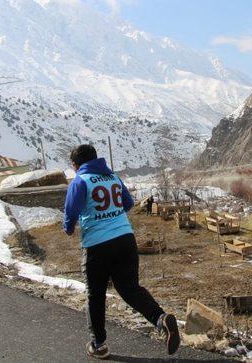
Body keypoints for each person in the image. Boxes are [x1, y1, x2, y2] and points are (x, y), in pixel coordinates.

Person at [63, 144, 179, 359]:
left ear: (75, 164)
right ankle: (161, 319)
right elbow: (127, 203)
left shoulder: (80, 181)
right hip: (126, 239)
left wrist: (69, 227)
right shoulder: (112, 178)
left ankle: (99, 345)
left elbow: (71, 211)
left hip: (97, 245)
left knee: (95, 295)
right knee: (130, 288)